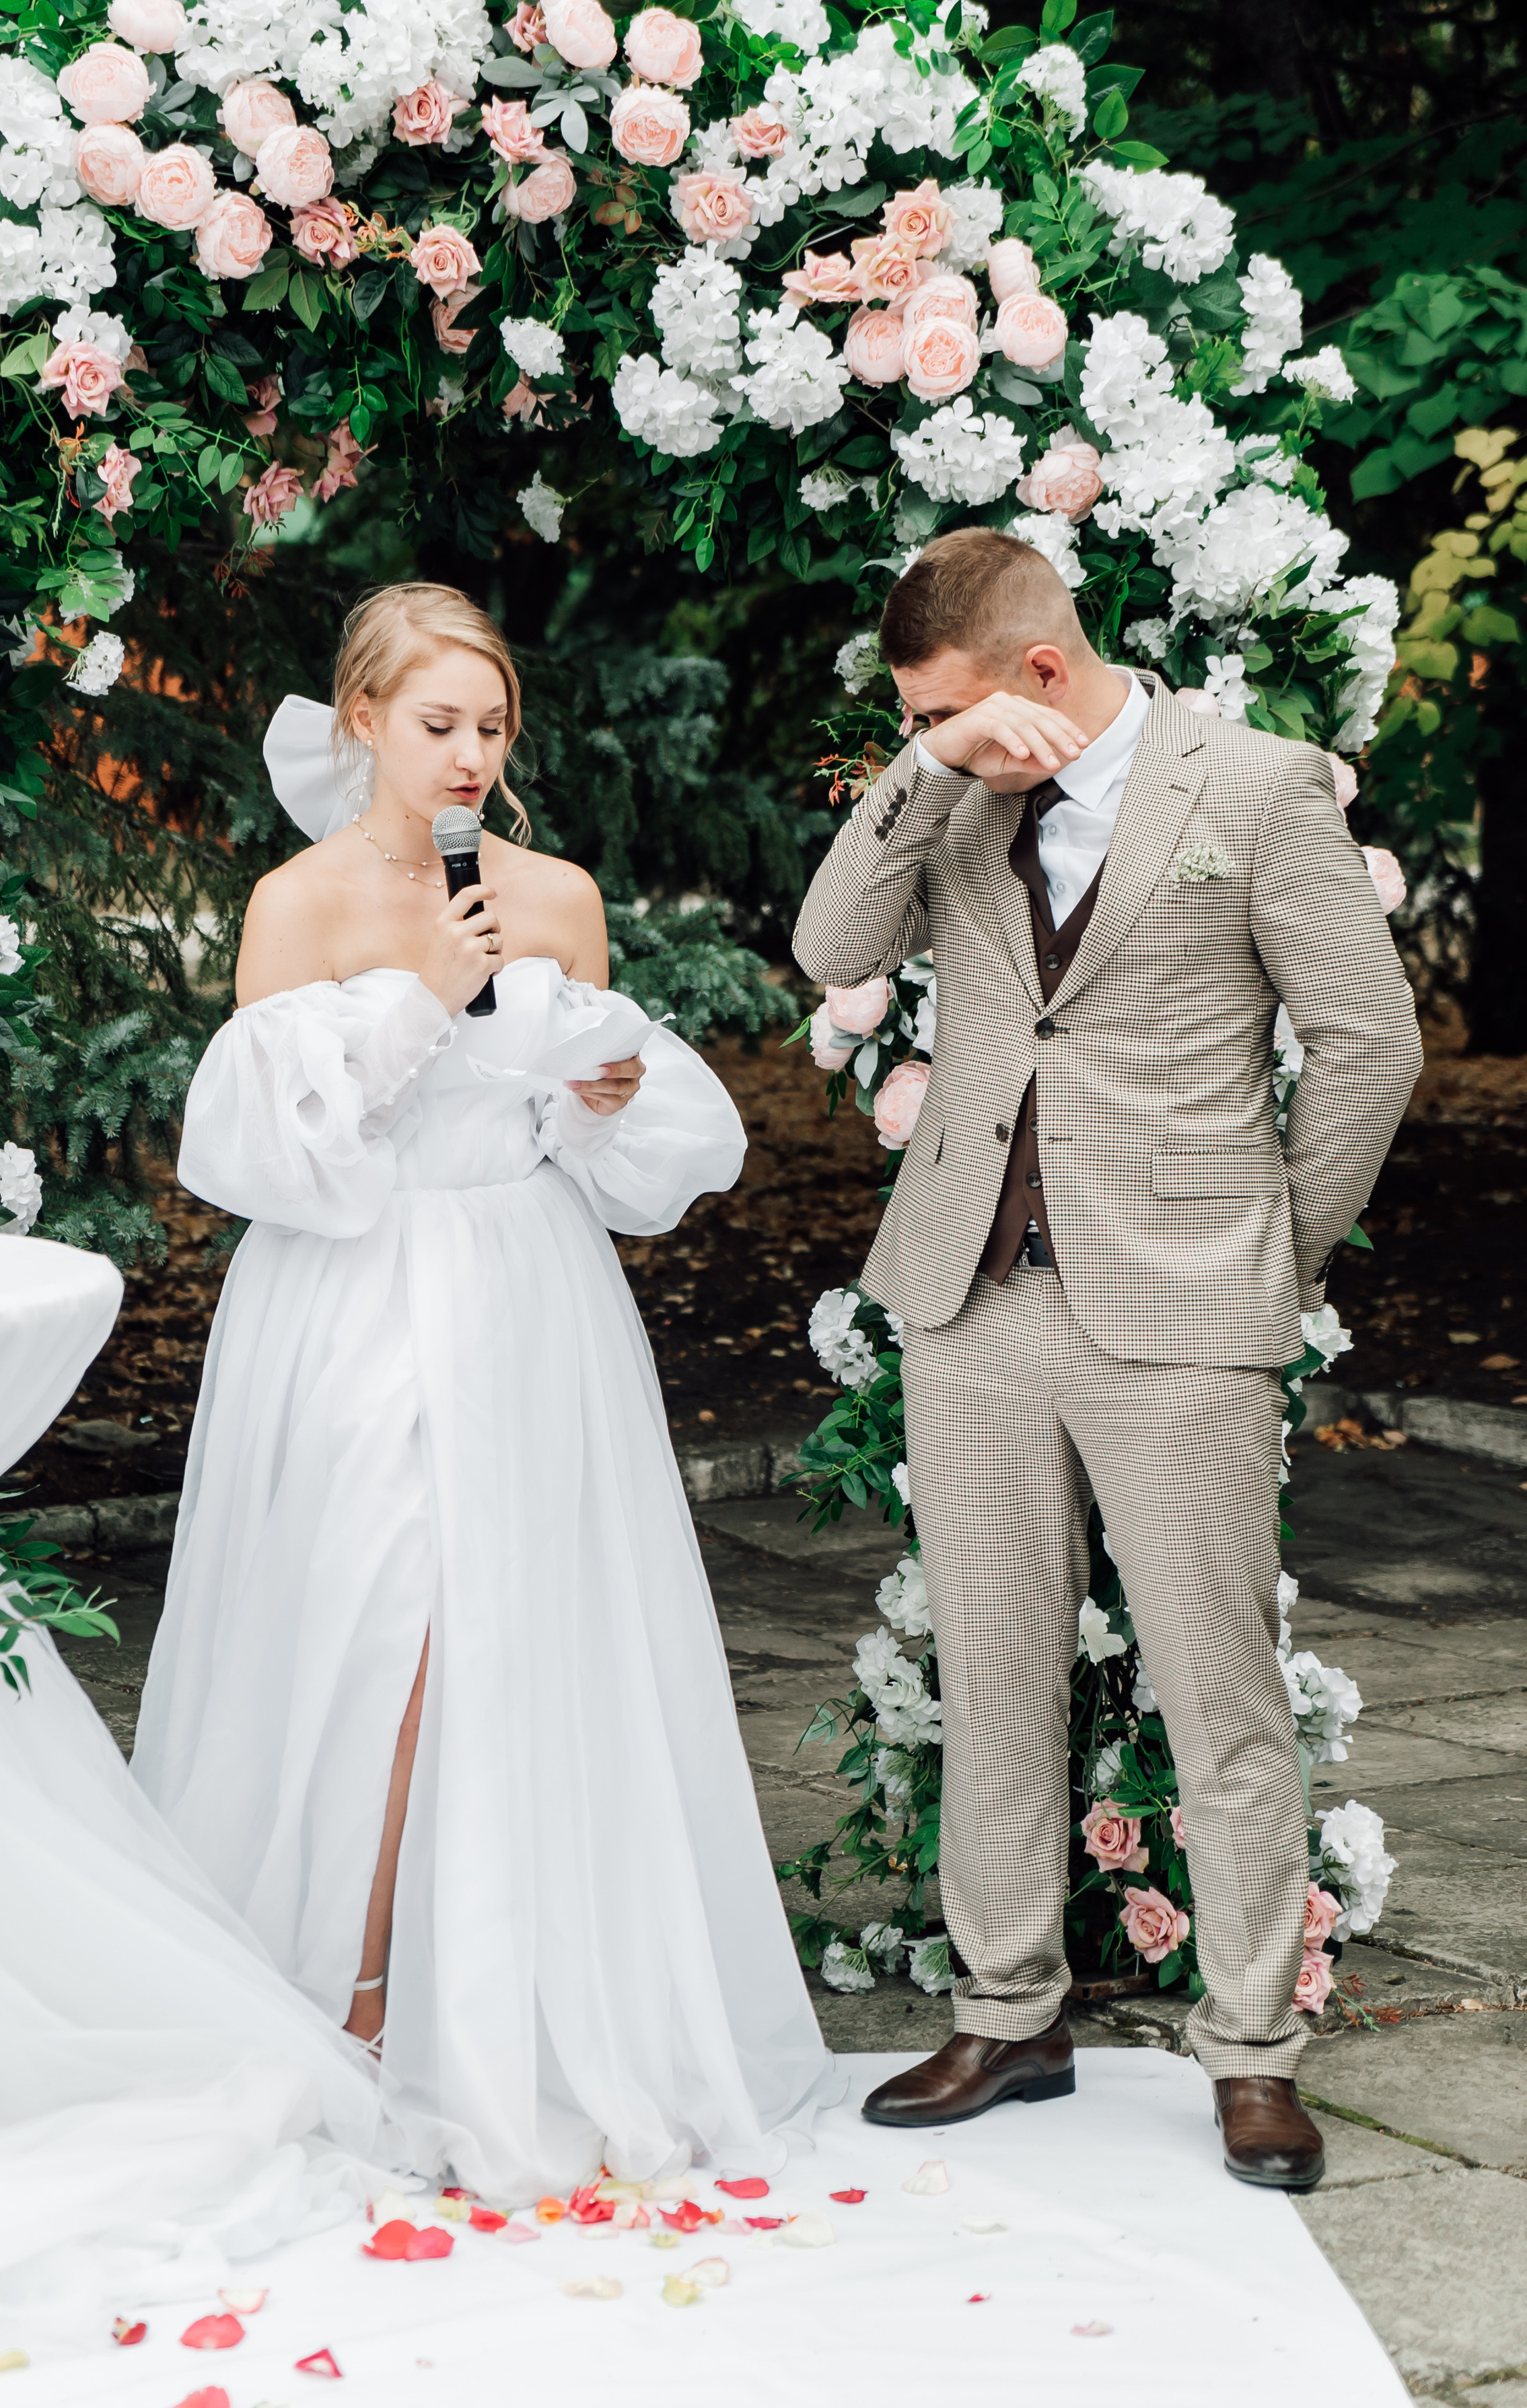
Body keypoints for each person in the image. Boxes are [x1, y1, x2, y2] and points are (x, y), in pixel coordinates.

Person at [133, 582, 833, 2203]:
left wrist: (604, 1095)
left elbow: (611, 1145)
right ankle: (350, 1991)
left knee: (511, 1636)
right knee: (376, 1626)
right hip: (354, 1297)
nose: (466, 755)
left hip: (523, 1297)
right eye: (435, 723)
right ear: (361, 718)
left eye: (490, 727)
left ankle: (517, 1997)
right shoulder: (296, 906)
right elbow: (261, 1154)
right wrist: (414, 997)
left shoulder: (558, 893)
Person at [793, 530, 1421, 2191]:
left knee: (1215, 1685)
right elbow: (828, 951)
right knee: (991, 1663)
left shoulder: (1260, 786)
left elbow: (1367, 1041)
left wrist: (1270, 1251)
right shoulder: (955, 790)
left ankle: (1249, 2052)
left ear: (1043, 675)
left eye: (950, 706)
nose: (940, 736)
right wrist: (928, 759)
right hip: (973, 1296)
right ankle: (1008, 2013)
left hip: (1181, 1301)